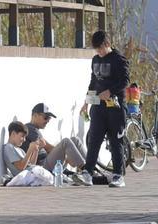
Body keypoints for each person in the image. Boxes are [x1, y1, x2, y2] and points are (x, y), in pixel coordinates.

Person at [76, 30, 130, 188]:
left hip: (116, 106)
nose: (98, 52)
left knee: (115, 141)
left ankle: (118, 175)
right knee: (94, 140)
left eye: (100, 48)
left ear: (107, 44)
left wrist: (110, 91)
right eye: (96, 49)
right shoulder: (95, 60)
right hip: (98, 106)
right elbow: (93, 82)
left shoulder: (119, 59)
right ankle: (87, 173)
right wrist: (86, 102)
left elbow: (125, 81)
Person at [25, 102, 86, 170]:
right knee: (66, 142)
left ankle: (91, 166)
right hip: (41, 166)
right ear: (35, 115)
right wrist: (67, 156)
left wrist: (69, 154)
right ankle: (85, 170)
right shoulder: (29, 128)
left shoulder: (34, 129)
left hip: (48, 162)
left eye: (49, 118)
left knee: (75, 140)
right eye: (46, 117)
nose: (48, 121)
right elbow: (48, 148)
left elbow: (48, 148)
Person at [1, 121, 44, 186]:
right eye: (22, 136)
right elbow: (21, 167)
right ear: (13, 134)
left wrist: (35, 150)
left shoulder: (20, 150)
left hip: (33, 174)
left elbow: (31, 165)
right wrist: (29, 150)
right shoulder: (8, 147)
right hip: (26, 178)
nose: (24, 140)